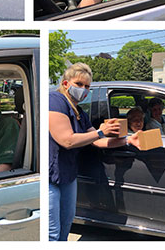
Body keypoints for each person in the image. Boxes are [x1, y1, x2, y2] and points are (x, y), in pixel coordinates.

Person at [49, 63, 142, 241]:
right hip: (50, 175)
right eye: (79, 84)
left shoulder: (80, 113)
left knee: (66, 224)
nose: (83, 89)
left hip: (68, 175)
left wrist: (128, 140)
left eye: (87, 86)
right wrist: (101, 131)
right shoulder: (55, 100)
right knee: (52, 232)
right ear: (66, 84)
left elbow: (98, 141)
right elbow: (67, 140)